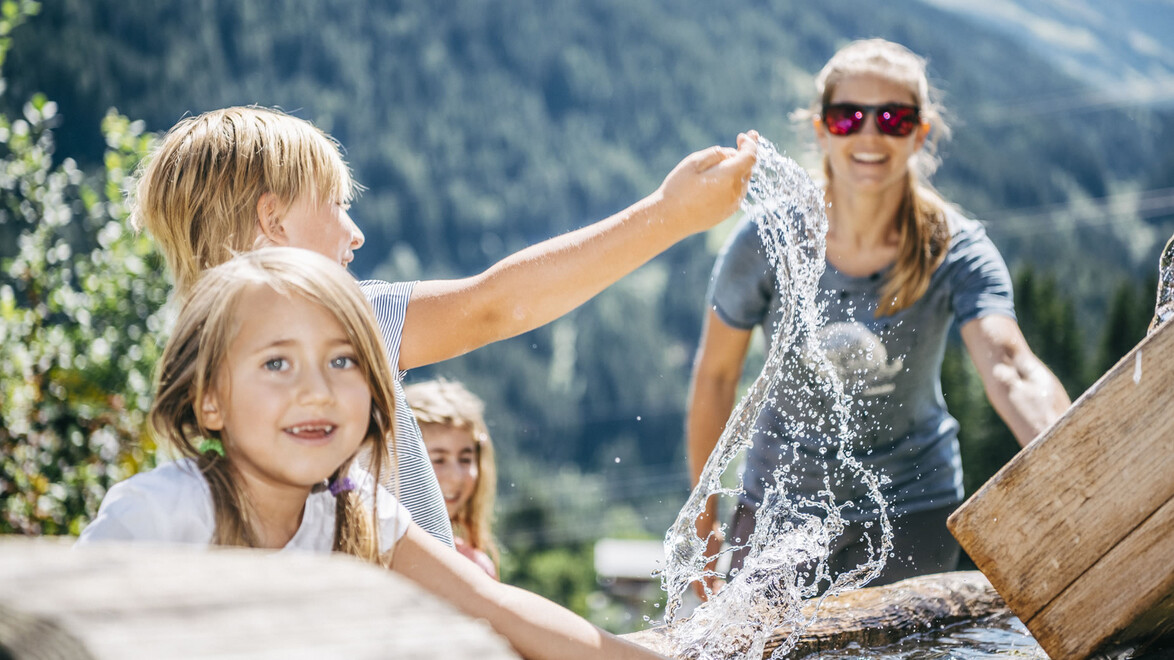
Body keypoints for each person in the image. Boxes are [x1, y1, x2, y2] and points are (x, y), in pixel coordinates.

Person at [130, 106, 757, 549]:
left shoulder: (199, 380)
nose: (355, 233)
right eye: (336, 206)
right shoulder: (350, 325)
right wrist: (668, 216)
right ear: (274, 220)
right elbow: (497, 303)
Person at [77, 248, 666, 660]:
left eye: (343, 361)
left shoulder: (357, 514)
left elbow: (494, 605)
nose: (318, 390)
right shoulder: (162, 514)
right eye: (277, 364)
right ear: (208, 402)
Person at [686, 39, 1071, 594]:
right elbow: (716, 378)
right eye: (848, 117)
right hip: (778, 507)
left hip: (912, 508)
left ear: (921, 131)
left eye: (893, 118)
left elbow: (1010, 366)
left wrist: (1078, 468)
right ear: (820, 129)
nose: (870, 134)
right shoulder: (766, 241)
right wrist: (706, 527)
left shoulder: (957, 249)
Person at [406, 379, 499, 579]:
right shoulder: (365, 553)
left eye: (465, 459)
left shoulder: (476, 567)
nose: (455, 476)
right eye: (438, 460)